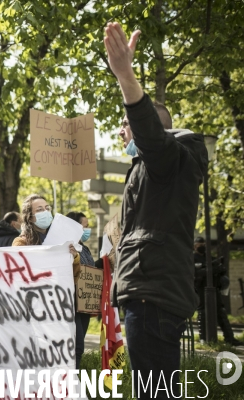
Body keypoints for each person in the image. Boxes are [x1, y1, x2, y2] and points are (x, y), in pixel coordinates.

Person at [104, 22, 208, 397]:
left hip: (152, 294)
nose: (121, 133)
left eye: (125, 125)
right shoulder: (152, 170)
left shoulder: (171, 156)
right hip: (148, 291)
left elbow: (150, 134)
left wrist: (125, 76)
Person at [12, 195, 81, 284]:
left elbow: (74, 278)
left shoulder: (62, 240)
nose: (45, 212)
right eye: (39, 210)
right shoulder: (21, 242)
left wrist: (74, 258)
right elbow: (18, 275)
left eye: (47, 208)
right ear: (30, 218)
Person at [194, 237, 243, 346]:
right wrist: (209, 270)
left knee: (221, 311)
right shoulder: (193, 258)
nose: (201, 246)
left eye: (203, 244)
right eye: (199, 244)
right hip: (201, 288)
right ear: (195, 246)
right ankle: (203, 338)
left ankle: (230, 338)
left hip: (214, 288)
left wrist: (217, 269)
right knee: (202, 311)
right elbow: (196, 273)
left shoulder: (209, 258)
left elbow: (220, 269)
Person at [66, 211, 99, 369]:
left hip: (84, 305)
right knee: (76, 347)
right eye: (84, 226)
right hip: (72, 303)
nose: (87, 230)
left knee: (79, 348)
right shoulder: (67, 247)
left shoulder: (84, 249)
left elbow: (89, 270)